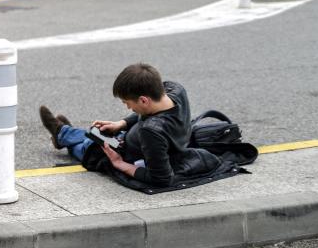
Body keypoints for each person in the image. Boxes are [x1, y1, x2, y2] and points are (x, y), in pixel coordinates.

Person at [39, 63, 210, 189]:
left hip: (124, 153)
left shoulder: (152, 132)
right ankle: (64, 135)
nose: (128, 107)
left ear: (144, 100)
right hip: (126, 140)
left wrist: (120, 164)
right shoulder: (175, 90)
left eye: (127, 103)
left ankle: (62, 133)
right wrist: (122, 123)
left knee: (89, 149)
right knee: (98, 135)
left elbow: (162, 179)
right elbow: (149, 111)